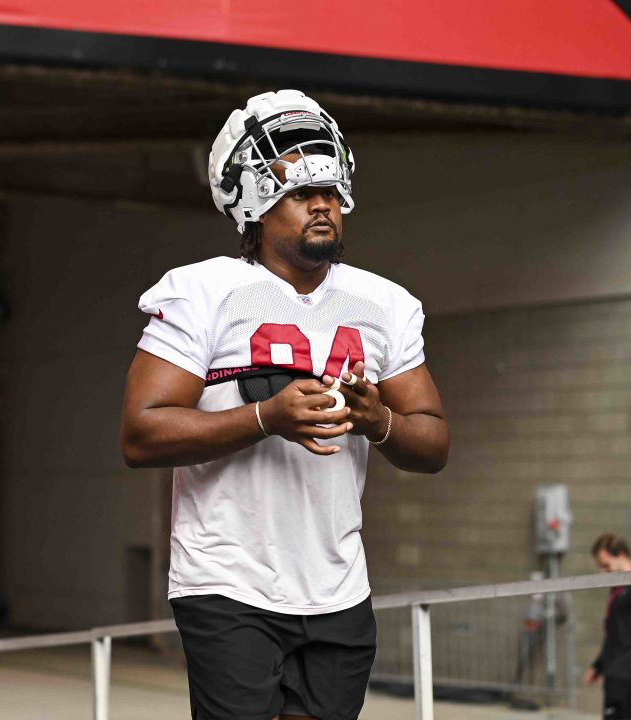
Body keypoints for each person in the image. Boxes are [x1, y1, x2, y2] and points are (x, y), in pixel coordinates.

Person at [119, 89, 451, 720]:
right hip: (229, 580)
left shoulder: (383, 304)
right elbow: (140, 434)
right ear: (256, 206)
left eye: (329, 190)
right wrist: (264, 419)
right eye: (301, 193)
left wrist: (378, 420)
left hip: (337, 584)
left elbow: (433, 441)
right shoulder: (203, 292)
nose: (321, 204)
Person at [583, 533, 631, 719]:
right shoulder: (617, 590)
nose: (604, 572)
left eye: (606, 565)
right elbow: (614, 636)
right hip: (614, 674)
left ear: (622, 555)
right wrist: (598, 666)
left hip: (630, 675)